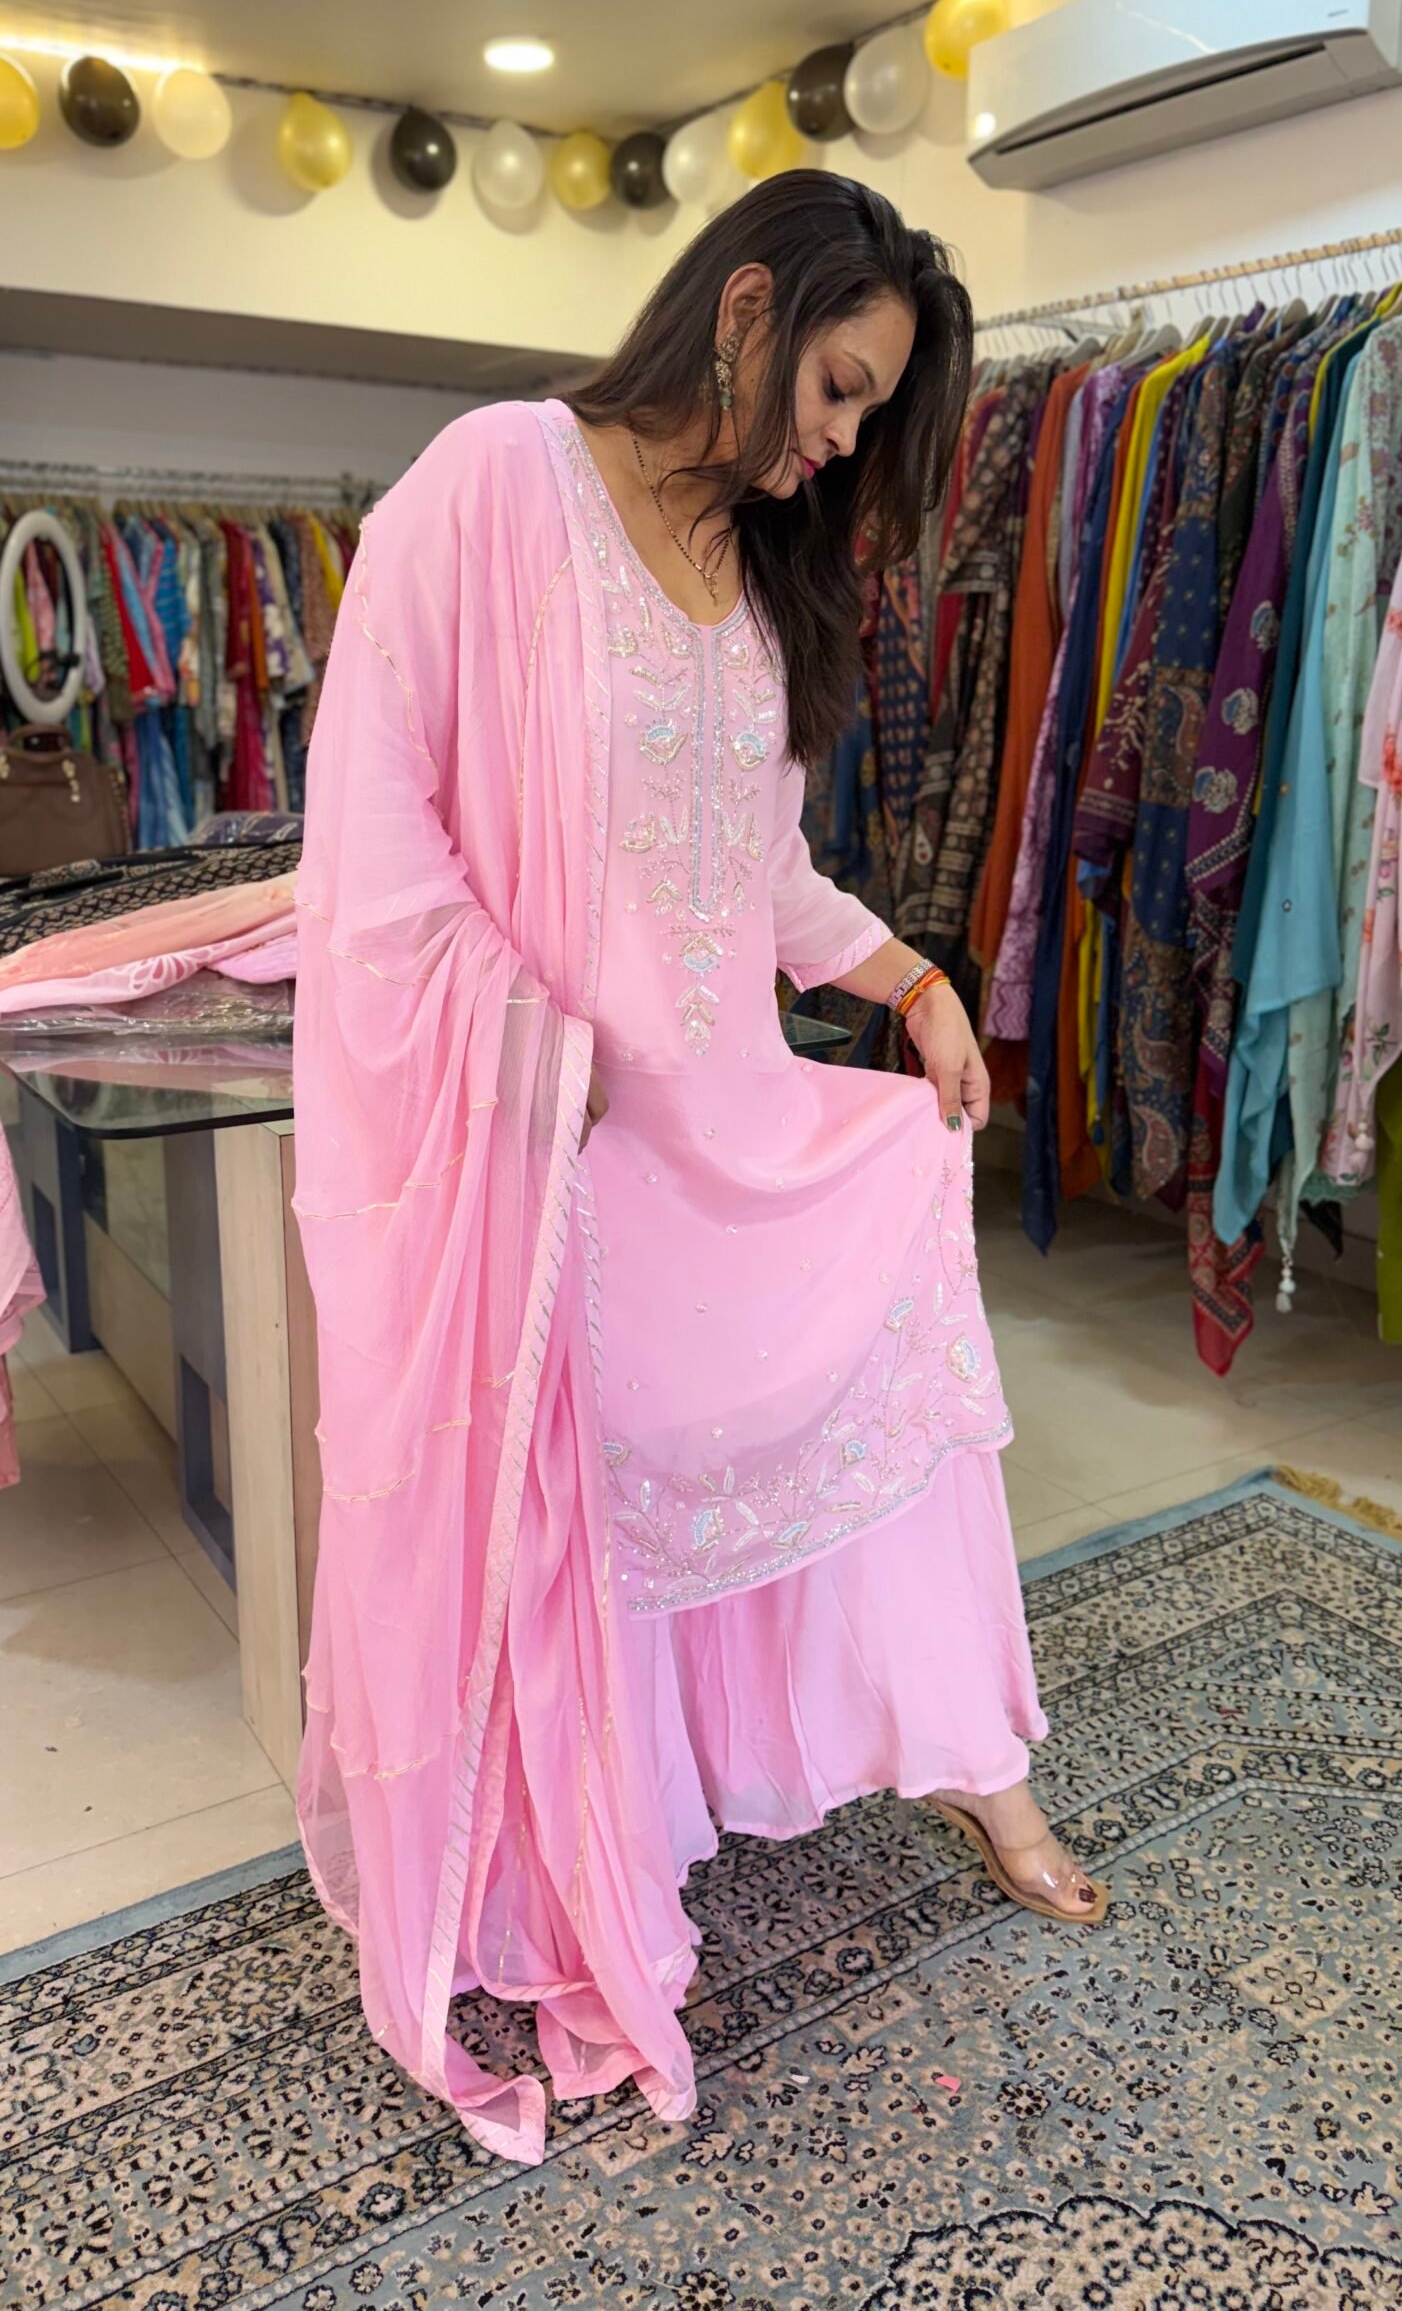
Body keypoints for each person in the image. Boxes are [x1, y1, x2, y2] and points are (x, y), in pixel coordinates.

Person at [293, 169, 1106, 2170]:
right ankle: (613, 1818)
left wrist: (914, 977)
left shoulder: (756, 573)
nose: (837, 444)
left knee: (899, 1272)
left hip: (726, 1119)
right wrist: (520, 1030)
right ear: (745, 309)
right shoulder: (497, 483)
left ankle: (969, 1752)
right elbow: (373, 818)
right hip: (556, 1149)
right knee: (591, 1489)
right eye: (837, 390)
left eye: (865, 417)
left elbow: (758, 874)